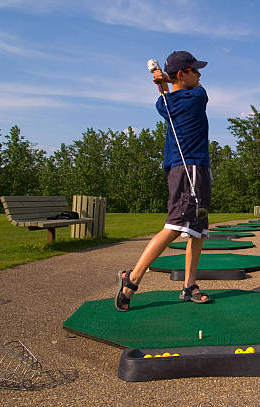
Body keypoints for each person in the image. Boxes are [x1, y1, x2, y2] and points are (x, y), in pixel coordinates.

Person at [114, 51, 212, 312]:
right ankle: (131, 278)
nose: (199, 74)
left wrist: (163, 85)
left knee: (198, 226)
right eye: (194, 70)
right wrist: (164, 84)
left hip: (199, 170)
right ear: (182, 74)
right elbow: (196, 89)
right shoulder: (197, 97)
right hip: (187, 171)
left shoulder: (165, 103)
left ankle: (189, 286)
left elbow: (167, 99)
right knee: (175, 224)